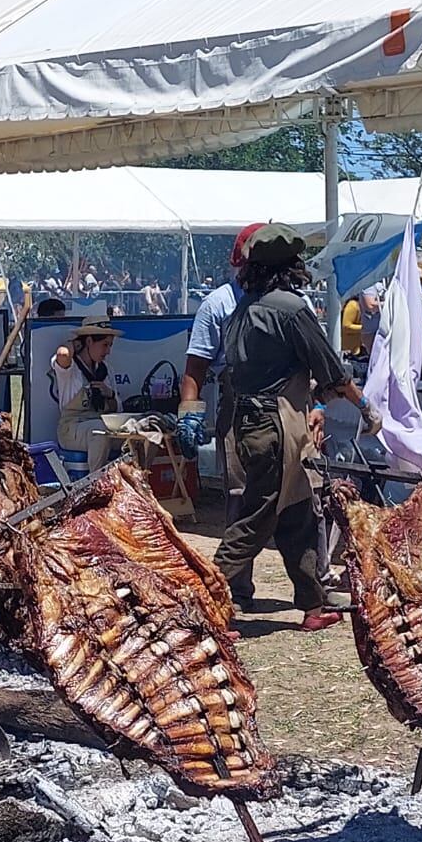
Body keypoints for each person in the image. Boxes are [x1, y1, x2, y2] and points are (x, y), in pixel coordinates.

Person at [213, 225, 381, 632]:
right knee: (261, 514)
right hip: (278, 422)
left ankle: (312, 603)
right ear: (290, 267)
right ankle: (201, 594)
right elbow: (332, 369)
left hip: (248, 422)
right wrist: (366, 408)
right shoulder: (290, 308)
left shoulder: (243, 309)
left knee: (299, 511)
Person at [178, 222, 265, 605]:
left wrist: (315, 408)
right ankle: (236, 586)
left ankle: (315, 585)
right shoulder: (218, 305)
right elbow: (195, 368)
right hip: (237, 404)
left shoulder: (293, 303)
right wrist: (189, 412)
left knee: (303, 496)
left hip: (286, 403)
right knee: (239, 493)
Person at [50, 318, 119, 472]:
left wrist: (110, 394)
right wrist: (73, 344)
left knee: (140, 433)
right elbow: (62, 354)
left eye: (110, 345)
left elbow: (116, 408)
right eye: (105, 345)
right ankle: (96, 485)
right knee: (100, 431)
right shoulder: (71, 369)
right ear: (89, 341)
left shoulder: (106, 369)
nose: (108, 351)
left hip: (102, 423)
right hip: (72, 429)